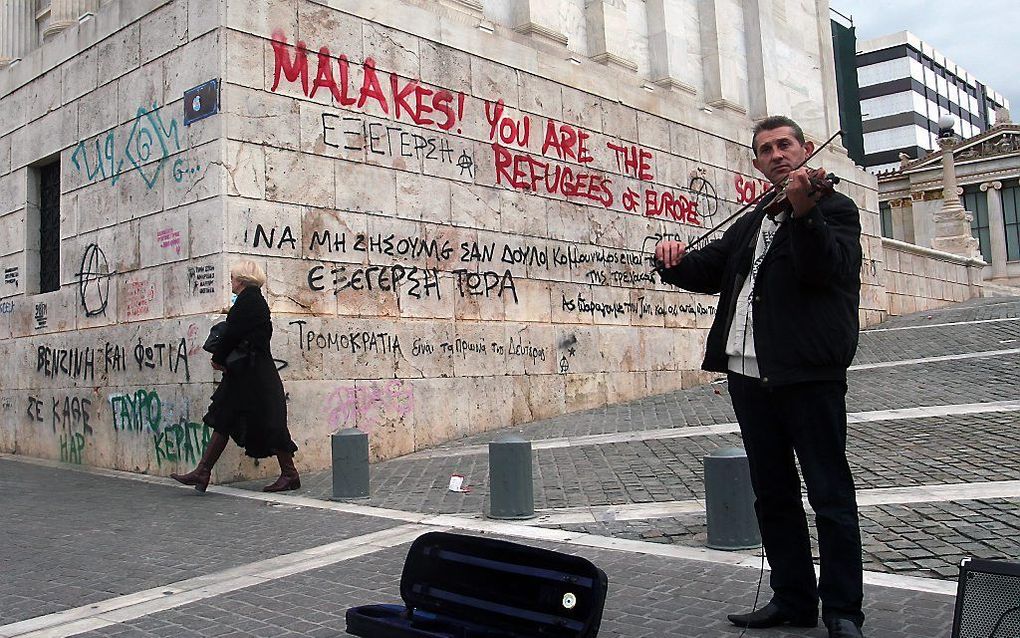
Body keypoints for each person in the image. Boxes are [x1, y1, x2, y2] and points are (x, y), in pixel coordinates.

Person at [654, 116, 865, 638]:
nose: (776, 155)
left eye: (784, 145)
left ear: (806, 150)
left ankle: (842, 610)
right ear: (756, 163)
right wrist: (672, 262)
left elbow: (825, 269)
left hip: (808, 376)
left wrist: (803, 209)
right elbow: (711, 271)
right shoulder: (752, 222)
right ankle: (792, 599)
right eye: (766, 149)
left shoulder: (834, 209)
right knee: (772, 494)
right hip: (750, 377)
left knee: (829, 494)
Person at [171, 260, 300, 494]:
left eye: (232, 278)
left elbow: (232, 333)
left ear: (241, 280)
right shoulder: (251, 300)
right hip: (247, 373)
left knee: (272, 422)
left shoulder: (249, 301)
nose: (230, 281)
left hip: (255, 375)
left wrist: (218, 358)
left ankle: (290, 474)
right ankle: (203, 471)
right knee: (225, 418)